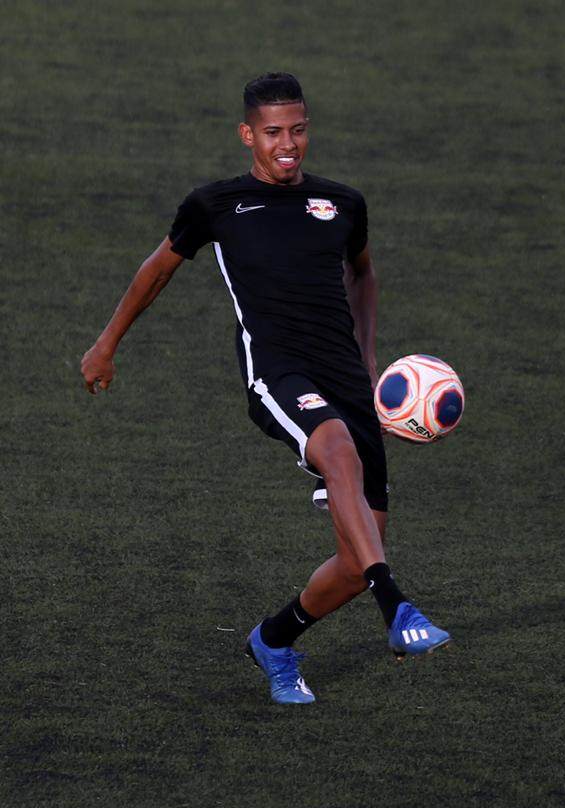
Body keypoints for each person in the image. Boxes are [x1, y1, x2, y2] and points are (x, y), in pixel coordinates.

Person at [79, 72, 450, 705]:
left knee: (356, 562)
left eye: (298, 130)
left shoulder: (343, 203)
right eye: (273, 132)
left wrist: (365, 357)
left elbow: (362, 274)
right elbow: (156, 269)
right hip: (276, 371)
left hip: (345, 378)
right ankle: (398, 607)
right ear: (247, 134)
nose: (288, 144)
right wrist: (106, 343)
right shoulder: (216, 205)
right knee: (335, 454)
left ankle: (273, 641)